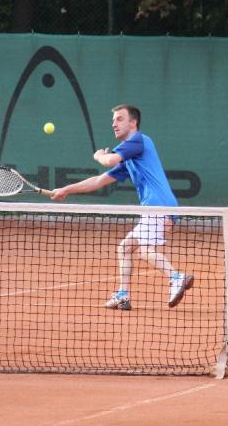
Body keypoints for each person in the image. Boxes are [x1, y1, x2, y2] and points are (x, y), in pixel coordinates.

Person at [50, 104, 193, 310]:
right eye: (113, 120)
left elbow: (109, 160)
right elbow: (98, 181)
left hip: (158, 206)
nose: (114, 124)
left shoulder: (139, 141)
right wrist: (66, 189)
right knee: (125, 247)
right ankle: (123, 295)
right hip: (156, 208)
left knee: (144, 251)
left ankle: (176, 277)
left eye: (119, 119)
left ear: (133, 123)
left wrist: (98, 156)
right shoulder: (130, 158)